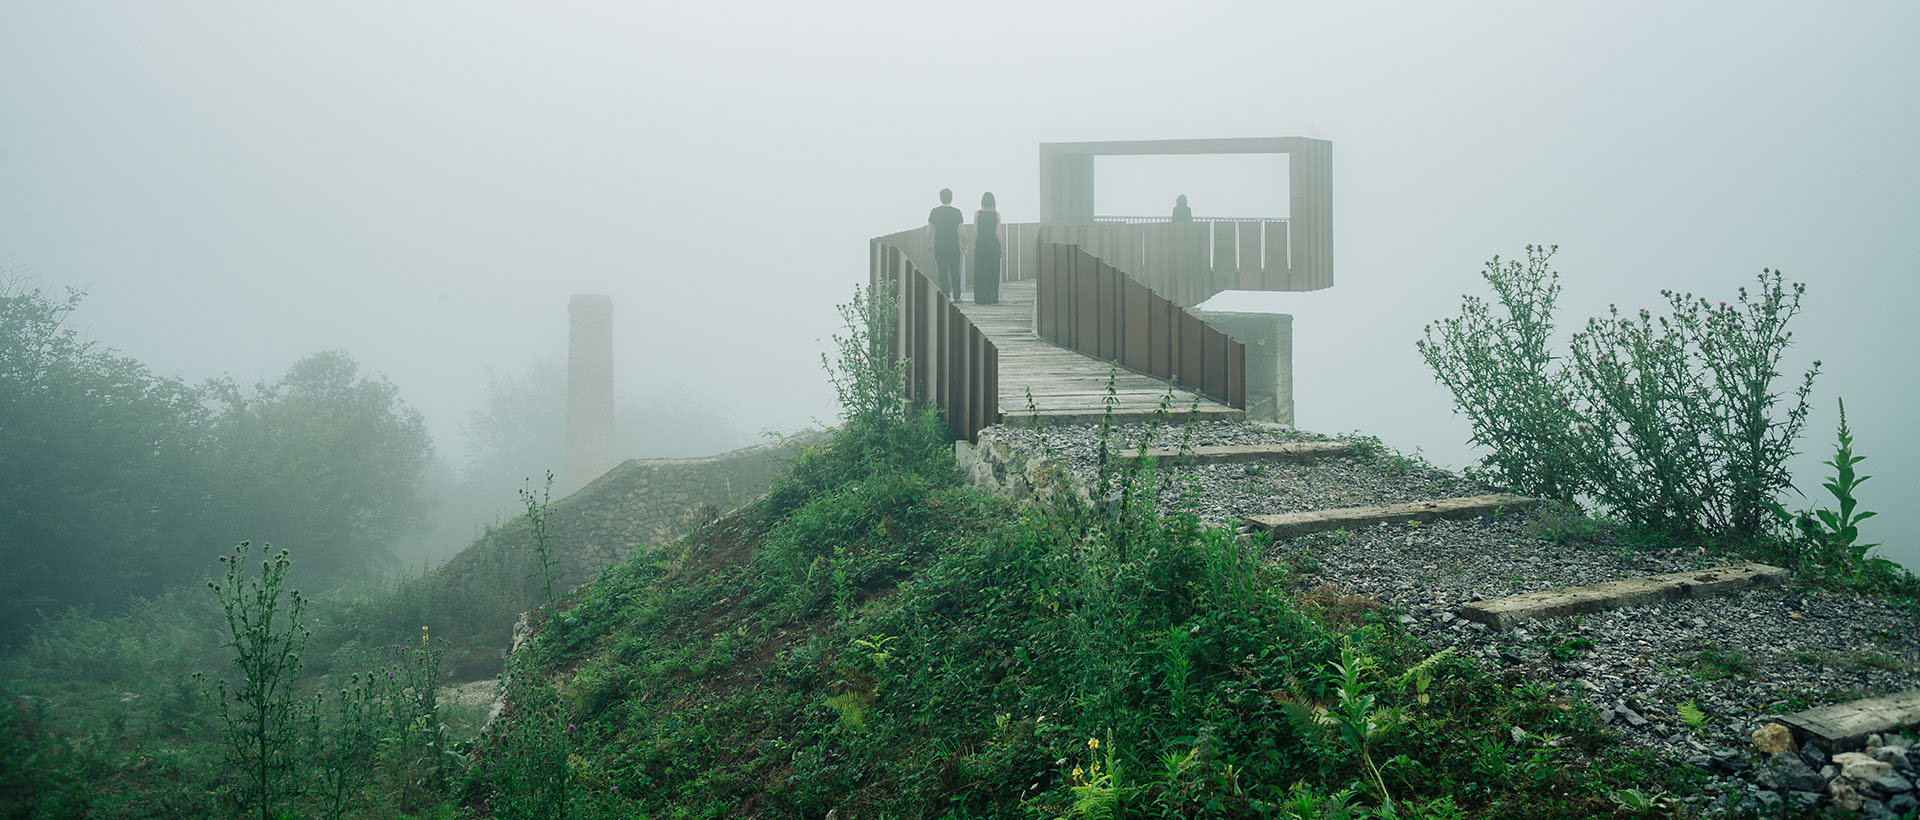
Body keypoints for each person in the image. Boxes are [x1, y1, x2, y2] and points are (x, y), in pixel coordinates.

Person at [926, 189, 965, 295]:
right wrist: (964, 244)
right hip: (953, 245)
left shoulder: (935, 212)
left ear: (940, 198)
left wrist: (929, 243)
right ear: (951, 198)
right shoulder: (957, 212)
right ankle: (957, 295)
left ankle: (946, 294)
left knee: (942, 271)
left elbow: (929, 229)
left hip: (940, 246)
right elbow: (962, 230)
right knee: (955, 271)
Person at [972, 192, 1003, 305]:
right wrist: (1001, 247)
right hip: (993, 245)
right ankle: (992, 297)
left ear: (982, 202)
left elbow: (975, 231)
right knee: (993, 270)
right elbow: (998, 233)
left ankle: (980, 298)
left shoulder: (977, 214)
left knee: (980, 271)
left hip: (981, 244)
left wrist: (974, 244)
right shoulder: (997, 215)